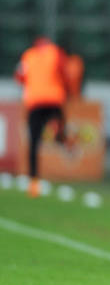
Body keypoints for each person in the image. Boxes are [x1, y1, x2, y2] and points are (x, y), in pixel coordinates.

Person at [14, 36, 69, 198]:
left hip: (35, 102)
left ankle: (34, 182)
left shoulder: (28, 55)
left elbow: (19, 77)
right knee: (60, 124)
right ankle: (58, 131)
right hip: (54, 100)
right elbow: (64, 74)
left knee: (34, 142)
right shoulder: (56, 52)